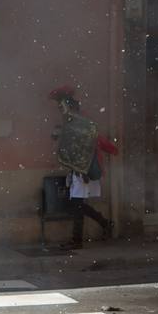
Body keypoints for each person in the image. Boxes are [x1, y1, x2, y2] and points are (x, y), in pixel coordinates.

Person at [49, 86, 114, 249]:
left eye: (62, 106)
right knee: (77, 204)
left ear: (70, 106)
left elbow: (91, 143)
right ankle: (104, 223)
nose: (61, 110)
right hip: (77, 168)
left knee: (77, 205)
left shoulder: (81, 123)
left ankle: (78, 239)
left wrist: (85, 167)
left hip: (83, 168)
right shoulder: (71, 123)